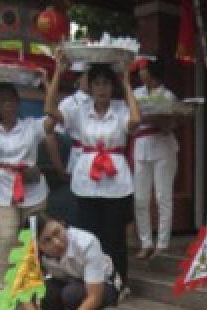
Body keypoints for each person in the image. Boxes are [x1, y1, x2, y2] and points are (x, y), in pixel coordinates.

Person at [44, 58, 141, 287]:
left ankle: (118, 282)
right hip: (87, 178)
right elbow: (49, 109)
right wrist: (58, 72)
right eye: (97, 83)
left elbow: (136, 121)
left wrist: (127, 84)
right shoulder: (80, 110)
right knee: (89, 234)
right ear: (90, 86)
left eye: (106, 84)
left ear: (112, 87)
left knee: (114, 235)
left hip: (115, 178)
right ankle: (92, 280)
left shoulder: (121, 109)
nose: (102, 89)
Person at [0, 82, 50, 270]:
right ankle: (5, 293)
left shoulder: (31, 126)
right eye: (2, 100)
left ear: (18, 102)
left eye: (11, 99)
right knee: (6, 239)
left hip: (32, 191)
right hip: (1, 191)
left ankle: (33, 290)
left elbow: (54, 117)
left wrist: (48, 83)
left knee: (33, 239)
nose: (7, 104)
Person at [21, 212, 121, 310]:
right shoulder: (32, 254)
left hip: (105, 286)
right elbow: (23, 292)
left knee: (71, 294)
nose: (57, 243)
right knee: (44, 293)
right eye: (47, 240)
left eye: (57, 232)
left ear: (62, 225)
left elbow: (94, 297)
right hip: (68, 281)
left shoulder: (86, 242)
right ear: (36, 246)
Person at [132, 59, 180, 259]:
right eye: (141, 69)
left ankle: (163, 243)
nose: (141, 72)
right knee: (140, 198)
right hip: (141, 146)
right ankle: (145, 242)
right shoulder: (136, 94)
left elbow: (171, 123)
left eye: (144, 69)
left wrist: (159, 118)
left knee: (163, 197)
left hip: (163, 146)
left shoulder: (167, 95)